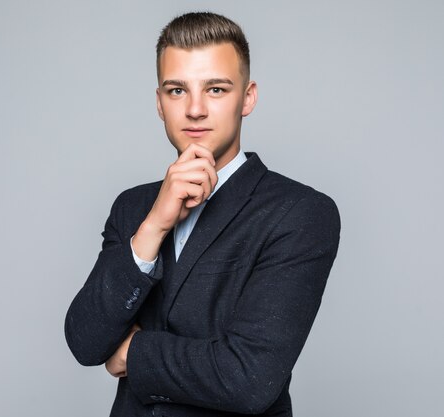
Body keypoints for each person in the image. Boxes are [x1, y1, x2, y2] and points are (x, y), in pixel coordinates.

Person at [65, 11, 340, 417]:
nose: (194, 109)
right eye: (177, 90)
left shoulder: (299, 212)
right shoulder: (133, 208)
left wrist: (135, 353)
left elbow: (249, 378)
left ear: (247, 98)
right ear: (159, 103)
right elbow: (86, 340)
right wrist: (154, 225)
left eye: (215, 89)